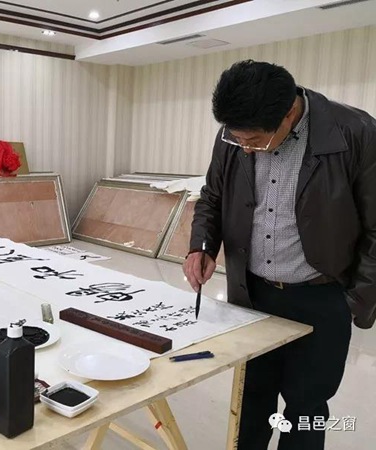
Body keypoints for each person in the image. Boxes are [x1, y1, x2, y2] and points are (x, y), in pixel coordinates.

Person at [183, 60, 376, 450]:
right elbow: (212, 196)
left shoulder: (355, 132)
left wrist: (353, 301)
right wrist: (201, 246)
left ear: (289, 112)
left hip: (322, 296)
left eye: (254, 140)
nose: (245, 147)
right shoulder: (234, 134)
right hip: (252, 293)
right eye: (238, 139)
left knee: (306, 406)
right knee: (252, 395)